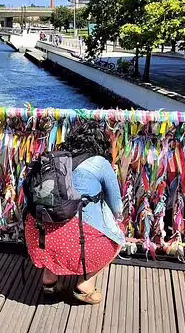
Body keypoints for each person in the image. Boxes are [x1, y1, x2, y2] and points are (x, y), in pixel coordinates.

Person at [24, 121, 125, 305]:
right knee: (117, 233)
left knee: (56, 226)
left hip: (38, 238)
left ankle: (49, 279)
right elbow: (117, 207)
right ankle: (85, 285)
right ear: (101, 144)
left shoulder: (53, 158)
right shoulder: (100, 163)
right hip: (77, 238)